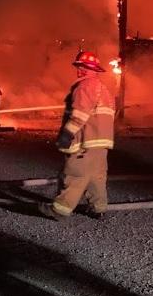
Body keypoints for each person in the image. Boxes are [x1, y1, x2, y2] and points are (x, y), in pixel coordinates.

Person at [39, 51, 115, 220]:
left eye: (84, 67)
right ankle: (98, 208)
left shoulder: (85, 86)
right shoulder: (104, 90)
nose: (81, 70)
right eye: (81, 67)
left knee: (75, 173)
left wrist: (67, 133)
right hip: (101, 144)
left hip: (86, 141)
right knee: (96, 177)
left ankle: (60, 210)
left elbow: (80, 114)